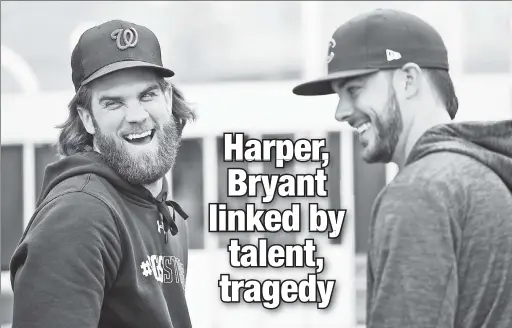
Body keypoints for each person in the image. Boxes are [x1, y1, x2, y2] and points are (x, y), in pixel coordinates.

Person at [293, 8, 512, 328]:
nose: (340, 112)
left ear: (408, 80)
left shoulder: (420, 192)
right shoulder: (487, 173)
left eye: (354, 90)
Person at [10, 20, 196, 328]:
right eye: (113, 103)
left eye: (147, 95)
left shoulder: (162, 212)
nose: (136, 116)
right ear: (87, 119)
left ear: (167, 98)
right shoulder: (78, 216)